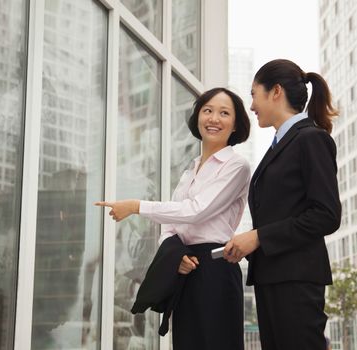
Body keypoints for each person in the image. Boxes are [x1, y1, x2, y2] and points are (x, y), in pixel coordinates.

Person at [96, 87, 251, 349]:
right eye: (208, 111)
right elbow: (170, 225)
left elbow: (196, 210)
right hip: (185, 266)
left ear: (235, 125)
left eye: (224, 113)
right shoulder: (190, 170)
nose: (214, 118)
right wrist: (175, 255)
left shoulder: (237, 166)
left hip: (216, 268)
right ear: (197, 117)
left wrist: (136, 206)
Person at [224, 59, 341, 350]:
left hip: (296, 281)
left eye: (254, 94)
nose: (251, 106)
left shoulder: (311, 139)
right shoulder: (280, 144)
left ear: (275, 91)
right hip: (272, 277)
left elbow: (327, 215)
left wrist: (259, 237)